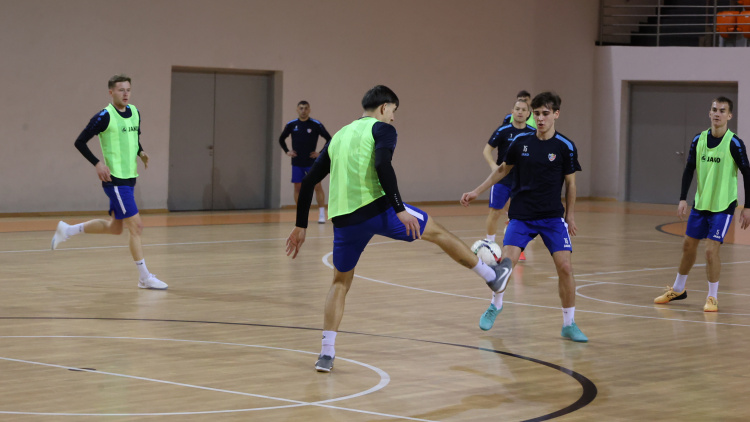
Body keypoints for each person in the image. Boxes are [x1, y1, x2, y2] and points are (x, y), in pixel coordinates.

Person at [286, 85, 513, 372]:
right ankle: (492, 276)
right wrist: (399, 209)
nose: (393, 118)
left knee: (340, 283)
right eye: (393, 111)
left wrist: (300, 226)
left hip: (343, 220)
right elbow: (383, 165)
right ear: (383, 108)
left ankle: (326, 354)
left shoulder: (340, 135)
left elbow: (307, 183)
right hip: (378, 210)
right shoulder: (382, 130)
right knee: (439, 233)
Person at [461, 91, 587, 342]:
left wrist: (570, 216)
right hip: (521, 216)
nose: (540, 118)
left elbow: (571, 185)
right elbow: (502, 170)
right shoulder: (520, 141)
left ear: (556, 115)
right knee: (506, 266)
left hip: (552, 218)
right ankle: (496, 305)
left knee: (565, 267)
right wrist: (477, 191)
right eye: (537, 114)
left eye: (545, 114)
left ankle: (569, 324)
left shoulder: (565, 146)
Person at [51, 74, 167, 290]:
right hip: (115, 181)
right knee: (137, 227)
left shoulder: (135, 113)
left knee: (115, 228)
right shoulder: (104, 116)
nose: (125, 93)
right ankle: (144, 277)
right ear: (111, 92)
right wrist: (97, 163)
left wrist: (141, 152)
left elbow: (134, 138)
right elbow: (80, 141)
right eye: (120, 90)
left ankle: (67, 231)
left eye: (128, 90)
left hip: (130, 179)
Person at [654, 97, 750, 312]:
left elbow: (747, 173)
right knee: (688, 246)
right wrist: (682, 198)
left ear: (729, 115)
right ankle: (678, 289)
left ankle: (712, 297)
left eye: (722, 111)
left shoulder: (734, 143)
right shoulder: (699, 140)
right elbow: (689, 169)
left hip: (723, 207)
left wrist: (747, 207)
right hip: (701, 205)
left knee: (710, 251)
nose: (717, 113)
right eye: (714, 109)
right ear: (709, 113)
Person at [483, 99, 535, 261]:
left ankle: (517, 248)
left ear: (528, 114)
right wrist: (493, 166)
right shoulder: (503, 130)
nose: (520, 112)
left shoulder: (532, 133)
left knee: (518, 215)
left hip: (522, 181)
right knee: (495, 211)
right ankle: (489, 245)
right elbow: (487, 150)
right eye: (517, 109)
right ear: (512, 111)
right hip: (502, 179)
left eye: (523, 110)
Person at [279, 101, 332, 223]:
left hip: (312, 162)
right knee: (298, 187)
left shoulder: (315, 124)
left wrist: (320, 153)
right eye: (301, 108)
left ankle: (322, 214)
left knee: (317, 186)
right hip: (297, 162)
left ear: (309, 110)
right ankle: (301, 213)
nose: (303, 110)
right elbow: (281, 139)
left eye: (306, 108)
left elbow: (329, 139)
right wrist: (287, 151)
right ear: (297, 109)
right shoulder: (292, 124)